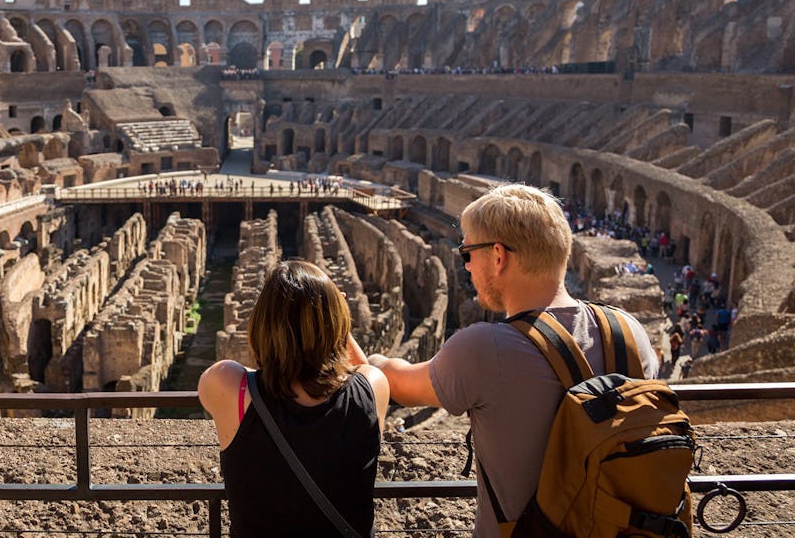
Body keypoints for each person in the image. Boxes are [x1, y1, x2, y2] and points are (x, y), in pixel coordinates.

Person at [367, 184, 659, 537]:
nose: (467, 267)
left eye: (467, 254)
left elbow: (398, 383)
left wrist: (365, 357)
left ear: (498, 257)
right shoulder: (631, 332)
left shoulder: (483, 349)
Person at [198, 260, 389, 537]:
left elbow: (222, 382)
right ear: (336, 323)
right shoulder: (374, 387)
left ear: (262, 323)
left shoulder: (227, 384)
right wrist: (336, 319)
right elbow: (359, 369)